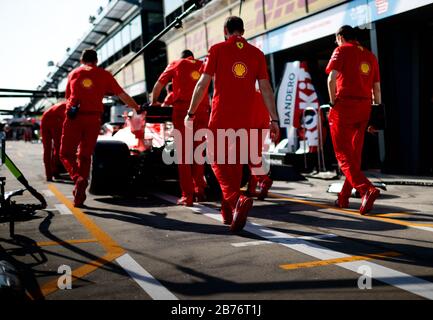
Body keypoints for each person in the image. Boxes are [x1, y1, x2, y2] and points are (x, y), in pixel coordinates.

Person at [186, 16, 280, 232]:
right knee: (235, 167)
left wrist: (191, 112)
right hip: (245, 119)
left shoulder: (217, 49)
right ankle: (228, 212)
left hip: (221, 117)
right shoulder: (257, 54)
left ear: (225, 31)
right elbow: (266, 88)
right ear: (243, 31)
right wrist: (274, 119)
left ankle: (236, 199)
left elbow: (202, 84)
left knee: (216, 160)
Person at [60, 49, 140, 207]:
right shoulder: (105, 74)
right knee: (85, 156)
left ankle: (78, 178)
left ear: (82, 61)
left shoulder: (73, 73)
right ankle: (79, 196)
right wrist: (137, 107)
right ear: (96, 61)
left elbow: (67, 97)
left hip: (74, 118)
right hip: (94, 119)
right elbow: (122, 95)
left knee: (65, 154)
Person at [326, 25, 382, 215]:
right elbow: (377, 91)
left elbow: (331, 79)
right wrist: (375, 118)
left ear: (341, 37)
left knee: (343, 155)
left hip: (345, 107)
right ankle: (343, 198)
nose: (336, 42)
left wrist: (332, 102)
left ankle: (366, 189)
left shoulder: (341, 50)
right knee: (353, 157)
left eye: (336, 39)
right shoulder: (370, 56)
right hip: (365, 108)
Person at [151, 49, 210, 206]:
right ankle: (200, 189)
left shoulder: (176, 64)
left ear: (181, 57)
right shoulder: (203, 64)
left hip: (182, 111)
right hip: (202, 110)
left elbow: (159, 84)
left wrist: (153, 102)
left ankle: (187, 195)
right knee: (199, 151)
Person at [246, 90, 273, 200]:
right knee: (254, 157)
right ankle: (252, 188)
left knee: (250, 158)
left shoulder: (245, 93)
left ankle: (263, 179)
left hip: (250, 124)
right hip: (263, 124)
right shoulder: (263, 93)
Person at [40, 101, 67, 181]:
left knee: (47, 148)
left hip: (45, 117)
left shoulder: (66, 103)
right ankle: (55, 171)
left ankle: (49, 175)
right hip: (56, 118)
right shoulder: (76, 106)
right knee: (58, 147)